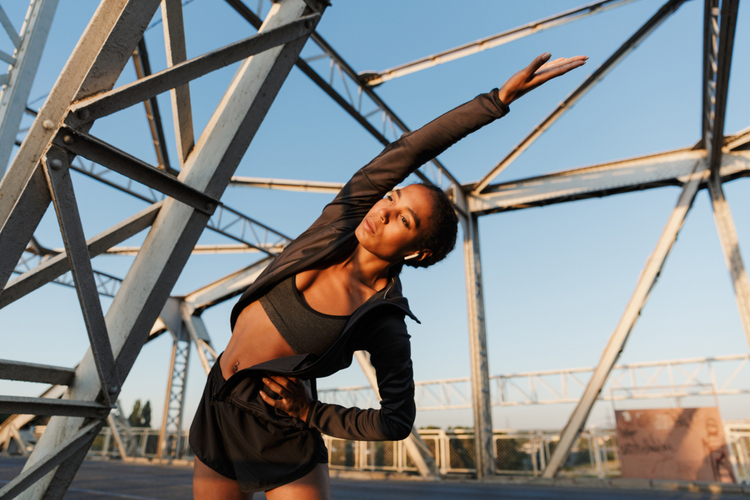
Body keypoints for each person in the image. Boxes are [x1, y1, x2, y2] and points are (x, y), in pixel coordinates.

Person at [189, 53, 587, 499]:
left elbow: (396, 421)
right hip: (218, 404)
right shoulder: (337, 224)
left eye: (404, 219)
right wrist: (495, 102)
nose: (384, 211)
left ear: (417, 251)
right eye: (392, 198)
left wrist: (310, 412)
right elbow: (409, 150)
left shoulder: (383, 321)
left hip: (279, 433)